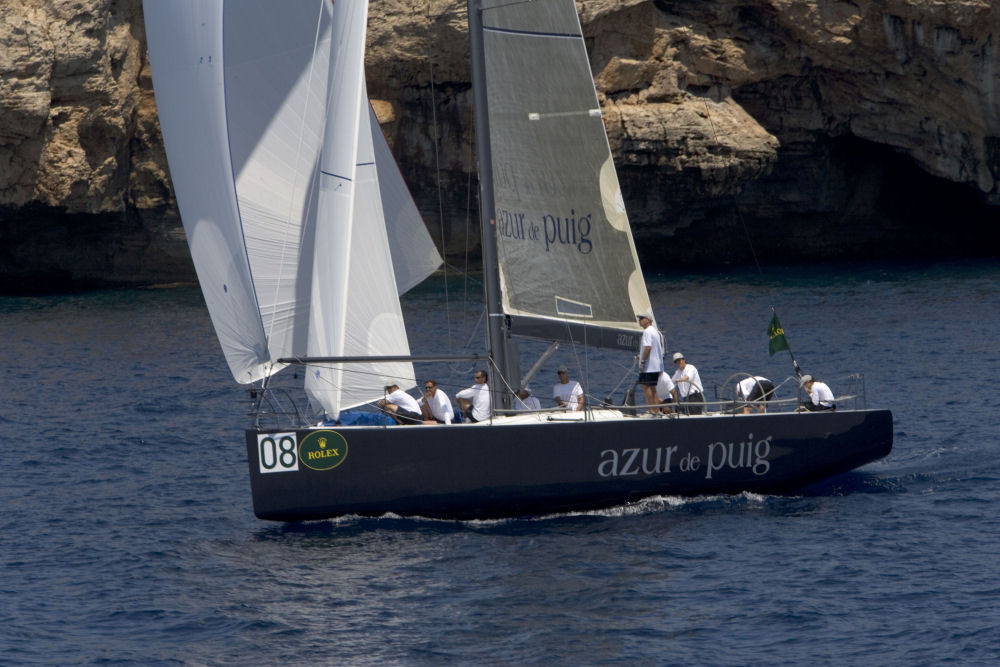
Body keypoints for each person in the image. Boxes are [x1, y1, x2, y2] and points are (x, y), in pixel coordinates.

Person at [636, 313, 665, 413]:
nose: (640, 320)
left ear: (648, 320)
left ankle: (651, 409)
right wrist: (641, 356)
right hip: (656, 366)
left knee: (646, 386)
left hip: (649, 366)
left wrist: (643, 361)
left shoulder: (647, 332)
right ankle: (656, 409)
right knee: (652, 387)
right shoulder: (655, 332)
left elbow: (648, 347)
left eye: (642, 318)